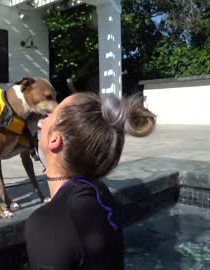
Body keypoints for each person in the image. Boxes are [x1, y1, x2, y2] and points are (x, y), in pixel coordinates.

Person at [24, 92, 156, 270]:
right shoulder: (99, 194)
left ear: (55, 140)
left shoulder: (48, 223)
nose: (44, 119)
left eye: (51, 114)